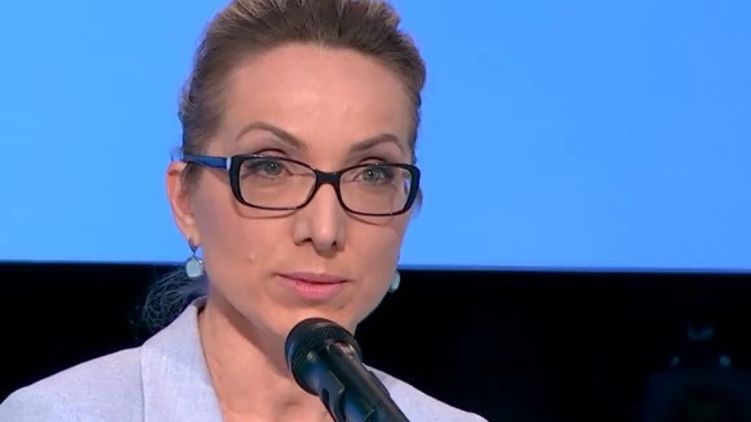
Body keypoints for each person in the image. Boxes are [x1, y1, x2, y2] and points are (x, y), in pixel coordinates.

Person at [0, 0, 488, 421]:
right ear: (185, 201)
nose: (324, 229)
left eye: (372, 173)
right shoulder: (64, 413)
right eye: (271, 167)